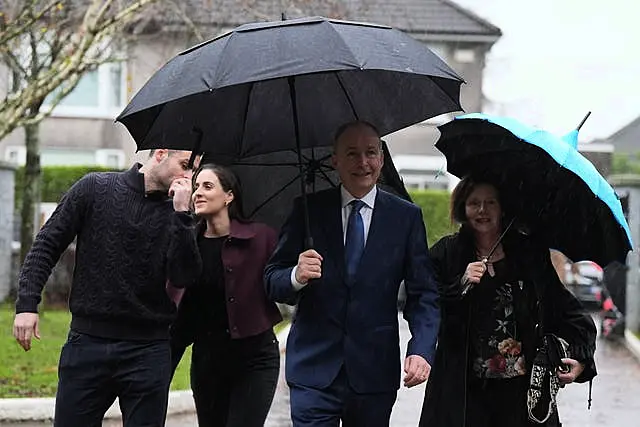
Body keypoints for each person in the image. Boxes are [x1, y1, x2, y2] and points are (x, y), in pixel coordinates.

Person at [264, 121, 440, 427]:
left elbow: (423, 292)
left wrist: (421, 349)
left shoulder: (406, 218)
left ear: (382, 159)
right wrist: (296, 275)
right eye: (352, 153)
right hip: (313, 372)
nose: (363, 162)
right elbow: (272, 280)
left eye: (371, 153)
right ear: (335, 160)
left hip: (374, 373)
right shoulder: (308, 210)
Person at [13, 149, 201, 427]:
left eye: (195, 170)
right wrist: (27, 304)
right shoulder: (94, 188)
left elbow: (184, 276)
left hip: (149, 350)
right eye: (185, 166)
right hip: (87, 343)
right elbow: (47, 244)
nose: (189, 177)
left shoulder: (182, 213)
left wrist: (183, 217)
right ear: (160, 154)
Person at [419, 176, 597, 427]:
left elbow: (568, 311)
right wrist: (459, 285)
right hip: (463, 394)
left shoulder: (529, 255)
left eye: (490, 202)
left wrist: (581, 360)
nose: (482, 210)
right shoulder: (446, 254)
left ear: (503, 208)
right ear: (463, 208)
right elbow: (424, 305)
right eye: (474, 203)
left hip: (520, 396)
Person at [169, 163, 282, 427]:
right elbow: (174, 290)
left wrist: (298, 273)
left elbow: (282, 285)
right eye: (196, 187)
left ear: (229, 196)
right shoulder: (189, 241)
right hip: (208, 361)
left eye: (207, 186)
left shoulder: (261, 237)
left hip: (255, 359)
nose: (198, 192)